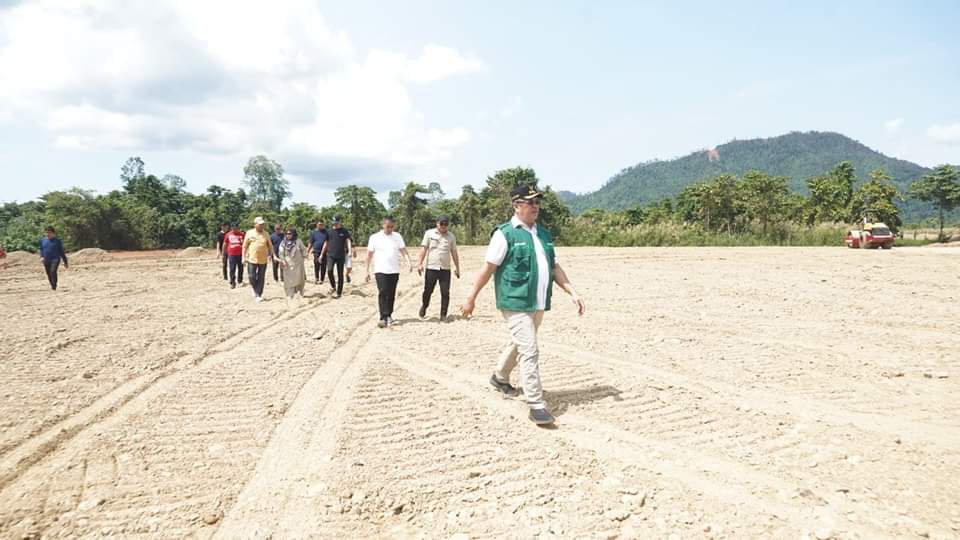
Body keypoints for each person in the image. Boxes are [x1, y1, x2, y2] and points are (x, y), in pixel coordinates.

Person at [461, 186, 586, 426]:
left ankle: (499, 377)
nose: (535, 205)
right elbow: (488, 269)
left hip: (537, 302)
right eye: (530, 202)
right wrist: (471, 297)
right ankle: (536, 404)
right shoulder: (505, 234)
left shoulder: (544, 235)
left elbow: (554, 268)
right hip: (514, 301)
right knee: (530, 349)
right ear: (516, 205)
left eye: (537, 201)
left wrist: (572, 291)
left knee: (519, 343)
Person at [366, 216, 412, 328]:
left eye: (392, 227)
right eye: (388, 227)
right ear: (383, 225)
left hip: (394, 270)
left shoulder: (397, 237)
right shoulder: (375, 237)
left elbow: (403, 251)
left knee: (391, 293)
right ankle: (382, 317)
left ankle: (389, 314)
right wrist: (366, 271)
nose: (390, 229)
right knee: (383, 292)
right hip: (380, 270)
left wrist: (409, 262)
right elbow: (369, 255)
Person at [417, 215, 461, 321]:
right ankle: (424, 306)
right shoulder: (429, 234)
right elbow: (424, 249)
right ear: (437, 223)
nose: (443, 226)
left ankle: (443, 315)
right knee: (428, 291)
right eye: (442, 224)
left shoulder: (451, 236)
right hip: (431, 267)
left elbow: (454, 252)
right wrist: (420, 263)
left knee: (445, 292)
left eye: (446, 224)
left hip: (445, 269)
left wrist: (457, 267)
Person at [243, 216, 275, 302]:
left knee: (261, 277)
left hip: (263, 259)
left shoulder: (266, 234)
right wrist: (243, 257)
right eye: (260, 224)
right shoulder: (249, 233)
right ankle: (254, 288)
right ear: (255, 225)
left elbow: (270, 246)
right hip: (252, 259)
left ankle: (258, 294)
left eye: (263, 224)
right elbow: (245, 246)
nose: (262, 226)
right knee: (251, 276)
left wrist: (271, 255)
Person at [320, 216, 351, 298]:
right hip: (330, 255)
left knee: (340, 274)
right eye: (334, 222)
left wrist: (350, 251)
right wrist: (321, 254)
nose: (335, 224)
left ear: (340, 222)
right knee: (329, 270)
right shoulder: (329, 231)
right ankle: (333, 286)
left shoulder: (344, 231)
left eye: (336, 222)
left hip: (341, 255)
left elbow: (348, 241)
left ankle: (339, 293)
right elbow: (326, 243)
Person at [277, 227, 308, 300]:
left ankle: (300, 292)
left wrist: (305, 256)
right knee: (288, 280)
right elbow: (281, 252)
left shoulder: (298, 241)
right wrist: (283, 260)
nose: (288, 235)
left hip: (298, 263)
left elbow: (303, 249)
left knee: (300, 278)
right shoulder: (283, 242)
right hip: (288, 264)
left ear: (293, 234)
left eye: (290, 234)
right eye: (287, 234)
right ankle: (289, 294)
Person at [39, 226, 69, 291]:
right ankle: (52, 285)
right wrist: (41, 256)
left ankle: (54, 285)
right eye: (46, 233)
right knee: (48, 273)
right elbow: (41, 249)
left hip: (55, 259)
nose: (47, 234)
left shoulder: (57, 241)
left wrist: (65, 261)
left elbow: (61, 252)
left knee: (53, 271)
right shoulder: (42, 240)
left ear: (53, 233)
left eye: (49, 233)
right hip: (46, 259)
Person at [307, 220, 330, 285]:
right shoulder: (314, 233)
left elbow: (328, 242)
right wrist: (307, 251)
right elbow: (310, 242)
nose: (321, 226)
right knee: (316, 264)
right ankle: (317, 278)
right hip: (316, 251)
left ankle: (322, 279)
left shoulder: (326, 232)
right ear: (317, 225)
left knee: (323, 265)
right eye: (319, 224)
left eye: (322, 224)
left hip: (325, 251)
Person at [224, 223, 246, 288]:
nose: (235, 230)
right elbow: (225, 244)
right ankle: (232, 282)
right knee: (232, 268)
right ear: (231, 228)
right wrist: (223, 253)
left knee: (241, 268)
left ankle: (240, 280)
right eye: (233, 228)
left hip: (240, 254)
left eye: (236, 228)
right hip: (231, 254)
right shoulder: (228, 234)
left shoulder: (242, 234)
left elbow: (245, 243)